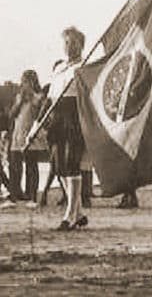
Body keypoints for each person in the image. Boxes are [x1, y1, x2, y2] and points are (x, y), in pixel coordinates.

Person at [41, 26, 89, 230]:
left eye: (74, 43)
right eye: (67, 42)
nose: (70, 47)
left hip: (74, 114)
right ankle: (78, 213)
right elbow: (49, 97)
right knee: (58, 164)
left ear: (81, 45)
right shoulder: (59, 68)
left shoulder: (86, 66)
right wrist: (39, 121)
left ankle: (69, 215)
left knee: (71, 161)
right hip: (56, 114)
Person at [7, 70, 45, 206]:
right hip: (18, 133)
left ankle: (32, 197)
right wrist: (20, 102)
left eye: (28, 81)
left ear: (34, 82)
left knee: (31, 166)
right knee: (14, 166)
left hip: (31, 135)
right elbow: (12, 115)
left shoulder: (39, 97)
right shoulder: (19, 97)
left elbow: (39, 114)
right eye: (23, 81)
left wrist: (32, 98)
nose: (25, 84)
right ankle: (13, 196)